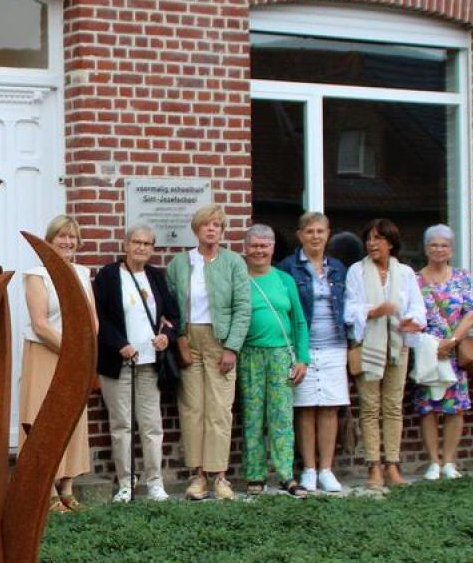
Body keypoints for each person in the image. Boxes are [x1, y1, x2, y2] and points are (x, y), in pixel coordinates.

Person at [167, 205, 251, 500]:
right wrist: (178, 339)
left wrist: (232, 347)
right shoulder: (179, 263)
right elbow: (169, 308)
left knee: (219, 409)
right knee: (192, 409)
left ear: (223, 230)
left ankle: (220, 477)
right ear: (196, 229)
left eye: (217, 225)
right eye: (206, 225)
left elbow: (243, 307)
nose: (211, 229)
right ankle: (198, 476)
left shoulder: (233, 263)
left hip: (220, 340)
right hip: (190, 339)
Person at [93, 224, 179, 503]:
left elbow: (171, 315)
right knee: (122, 425)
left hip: (150, 363)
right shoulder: (108, 276)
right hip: (118, 362)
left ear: (153, 248)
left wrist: (166, 336)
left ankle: (154, 482)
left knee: (151, 425)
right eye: (136, 242)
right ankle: (126, 484)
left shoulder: (156, 276)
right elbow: (100, 317)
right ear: (125, 244)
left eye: (147, 243)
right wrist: (120, 344)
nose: (141, 247)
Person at [20, 215, 97, 512]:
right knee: (44, 418)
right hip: (45, 353)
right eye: (61, 236)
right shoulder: (37, 274)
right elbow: (40, 324)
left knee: (73, 419)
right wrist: (72, 350)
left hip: (76, 357)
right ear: (49, 241)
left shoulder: (81, 272)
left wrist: (86, 348)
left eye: (72, 237)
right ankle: (46, 487)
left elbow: (91, 320)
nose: (67, 242)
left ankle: (67, 486)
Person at [346, 219, 426, 488]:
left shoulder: (404, 273)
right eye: (368, 238)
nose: (372, 243)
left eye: (378, 238)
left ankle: (392, 464)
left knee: (392, 407)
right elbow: (349, 309)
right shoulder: (357, 271)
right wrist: (373, 311)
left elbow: (418, 308)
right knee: (369, 408)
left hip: (397, 346)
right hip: (369, 346)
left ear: (391, 243)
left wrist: (410, 320)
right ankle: (374, 468)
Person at [276, 211, 350, 493]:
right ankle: (308, 469)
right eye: (309, 232)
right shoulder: (287, 268)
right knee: (305, 408)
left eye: (320, 231)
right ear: (300, 235)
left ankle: (327, 469)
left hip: (334, 345)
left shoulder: (338, 268)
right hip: (303, 346)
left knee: (330, 408)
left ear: (328, 234)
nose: (315, 236)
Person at [238, 224, 311, 496]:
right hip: (250, 354)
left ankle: (285, 474)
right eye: (254, 245)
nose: (259, 250)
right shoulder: (240, 279)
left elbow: (300, 322)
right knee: (253, 416)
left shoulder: (284, 280)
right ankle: (255, 475)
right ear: (245, 249)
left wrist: (303, 358)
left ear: (272, 248)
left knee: (282, 416)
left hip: (282, 354)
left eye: (264, 245)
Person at [411, 225, 473, 481]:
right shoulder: (415, 279)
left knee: (454, 407)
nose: (439, 250)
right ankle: (433, 462)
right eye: (434, 245)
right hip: (427, 350)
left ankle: (449, 461)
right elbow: (411, 315)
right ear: (426, 248)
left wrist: (452, 340)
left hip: (453, 350)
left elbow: (470, 312)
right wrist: (430, 343)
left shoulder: (462, 277)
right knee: (428, 407)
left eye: (444, 245)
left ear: (451, 249)